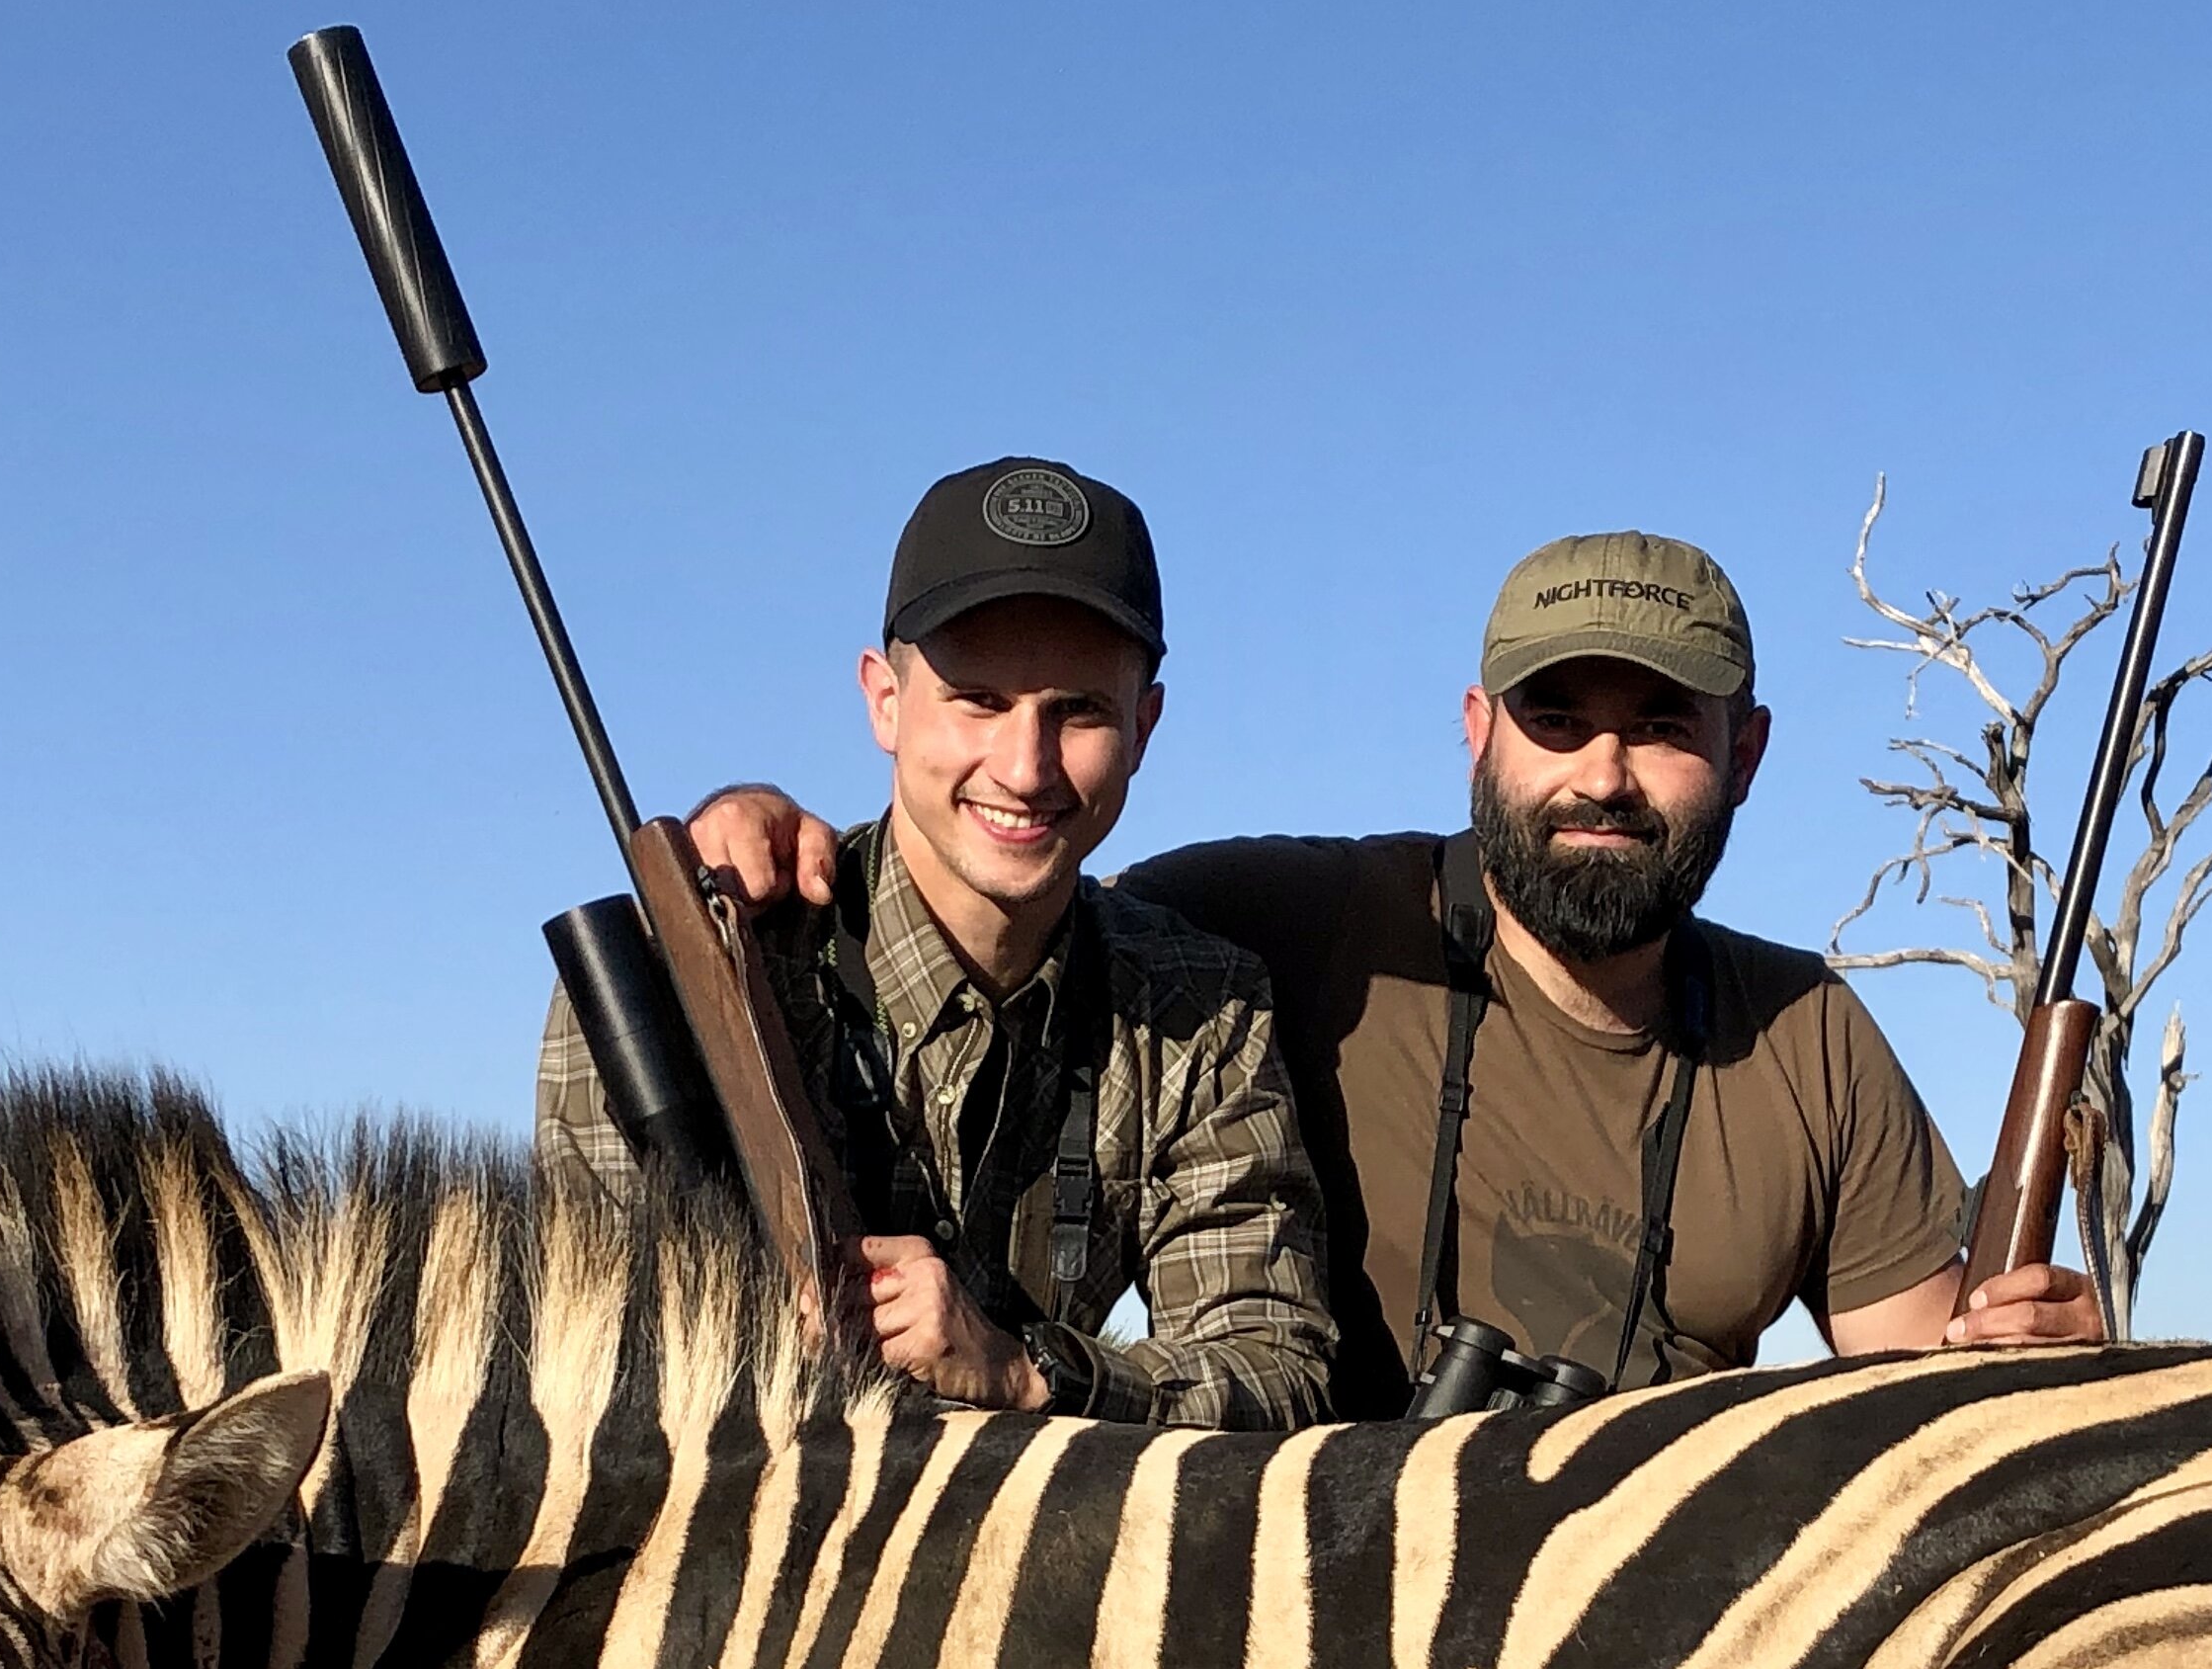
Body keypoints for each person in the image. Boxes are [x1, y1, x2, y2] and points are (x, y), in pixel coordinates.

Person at [686, 530, 2096, 1418]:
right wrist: (774, 832)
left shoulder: (1811, 1039)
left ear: (1745, 755)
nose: (1602, 775)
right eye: (1556, 719)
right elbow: (1002, 869)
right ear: (1479, 731)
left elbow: (1928, 1376)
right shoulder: (1264, 925)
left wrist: (2029, 1362)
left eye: (1660, 727)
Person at [538, 457, 1335, 1426]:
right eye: (979, 700)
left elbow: (1278, 1370)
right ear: (884, 699)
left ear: (1145, 724)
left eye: (1078, 711)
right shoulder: (680, 983)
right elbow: (577, 1356)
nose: (1026, 766)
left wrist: (1025, 1370)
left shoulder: (1201, 1009)